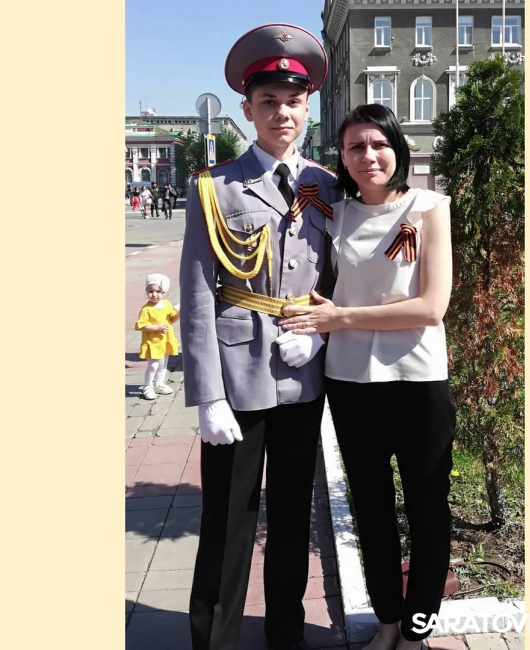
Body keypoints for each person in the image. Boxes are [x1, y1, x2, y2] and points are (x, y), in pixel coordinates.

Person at [179, 23, 342, 650]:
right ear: (248, 110)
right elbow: (199, 292)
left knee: (294, 514)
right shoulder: (214, 186)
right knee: (227, 520)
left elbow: (340, 279)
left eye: (293, 101)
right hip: (236, 374)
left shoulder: (328, 185)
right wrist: (207, 396)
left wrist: (321, 338)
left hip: (303, 375)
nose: (282, 113)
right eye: (268, 101)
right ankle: (213, 641)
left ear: (308, 109)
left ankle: (285, 635)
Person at [279, 104, 455, 650]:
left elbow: (431, 308)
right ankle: (386, 624)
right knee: (371, 508)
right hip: (351, 382)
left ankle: (416, 631)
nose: (368, 156)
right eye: (355, 147)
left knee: (428, 507)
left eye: (378, 144)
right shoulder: (334, 214)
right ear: (343, 157)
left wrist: (342, 319)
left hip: (418, 379)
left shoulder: (429, 208)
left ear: (397, 148)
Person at [135, 273, 180, 400]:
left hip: (165, 340)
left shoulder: (166, 304)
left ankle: (159, 384)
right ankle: (148, 386)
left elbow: (172, 319)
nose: (154, 294)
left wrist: (179, 313)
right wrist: (156, 328)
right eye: (150, 291)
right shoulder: (146, 309)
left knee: (163, 364)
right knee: (153, 365)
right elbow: (141, 325)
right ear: (146, 291)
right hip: (152, 342)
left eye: (158, 291)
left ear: (163, 292)